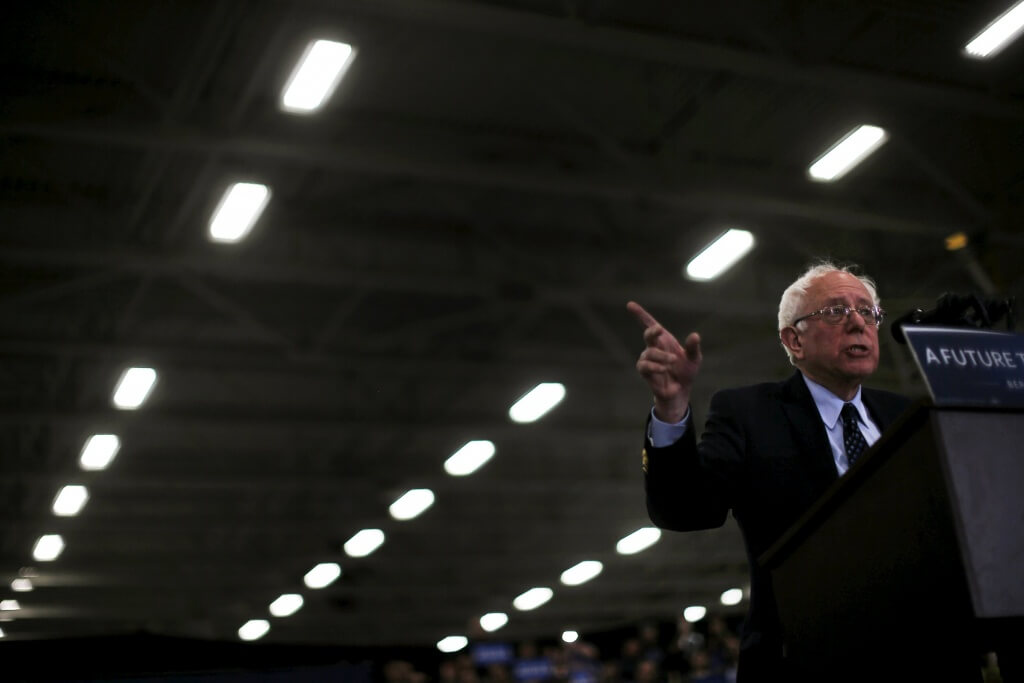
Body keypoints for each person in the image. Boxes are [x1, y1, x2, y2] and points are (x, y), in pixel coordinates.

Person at [628, 262, 911, 681]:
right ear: (793, 340)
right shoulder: (749, 413)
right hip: (802, 657)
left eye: (867, 312)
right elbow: (686, 510)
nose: (857, 323)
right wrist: (671, 408)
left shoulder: (908, 416)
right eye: (835, 311)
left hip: (920, 652)